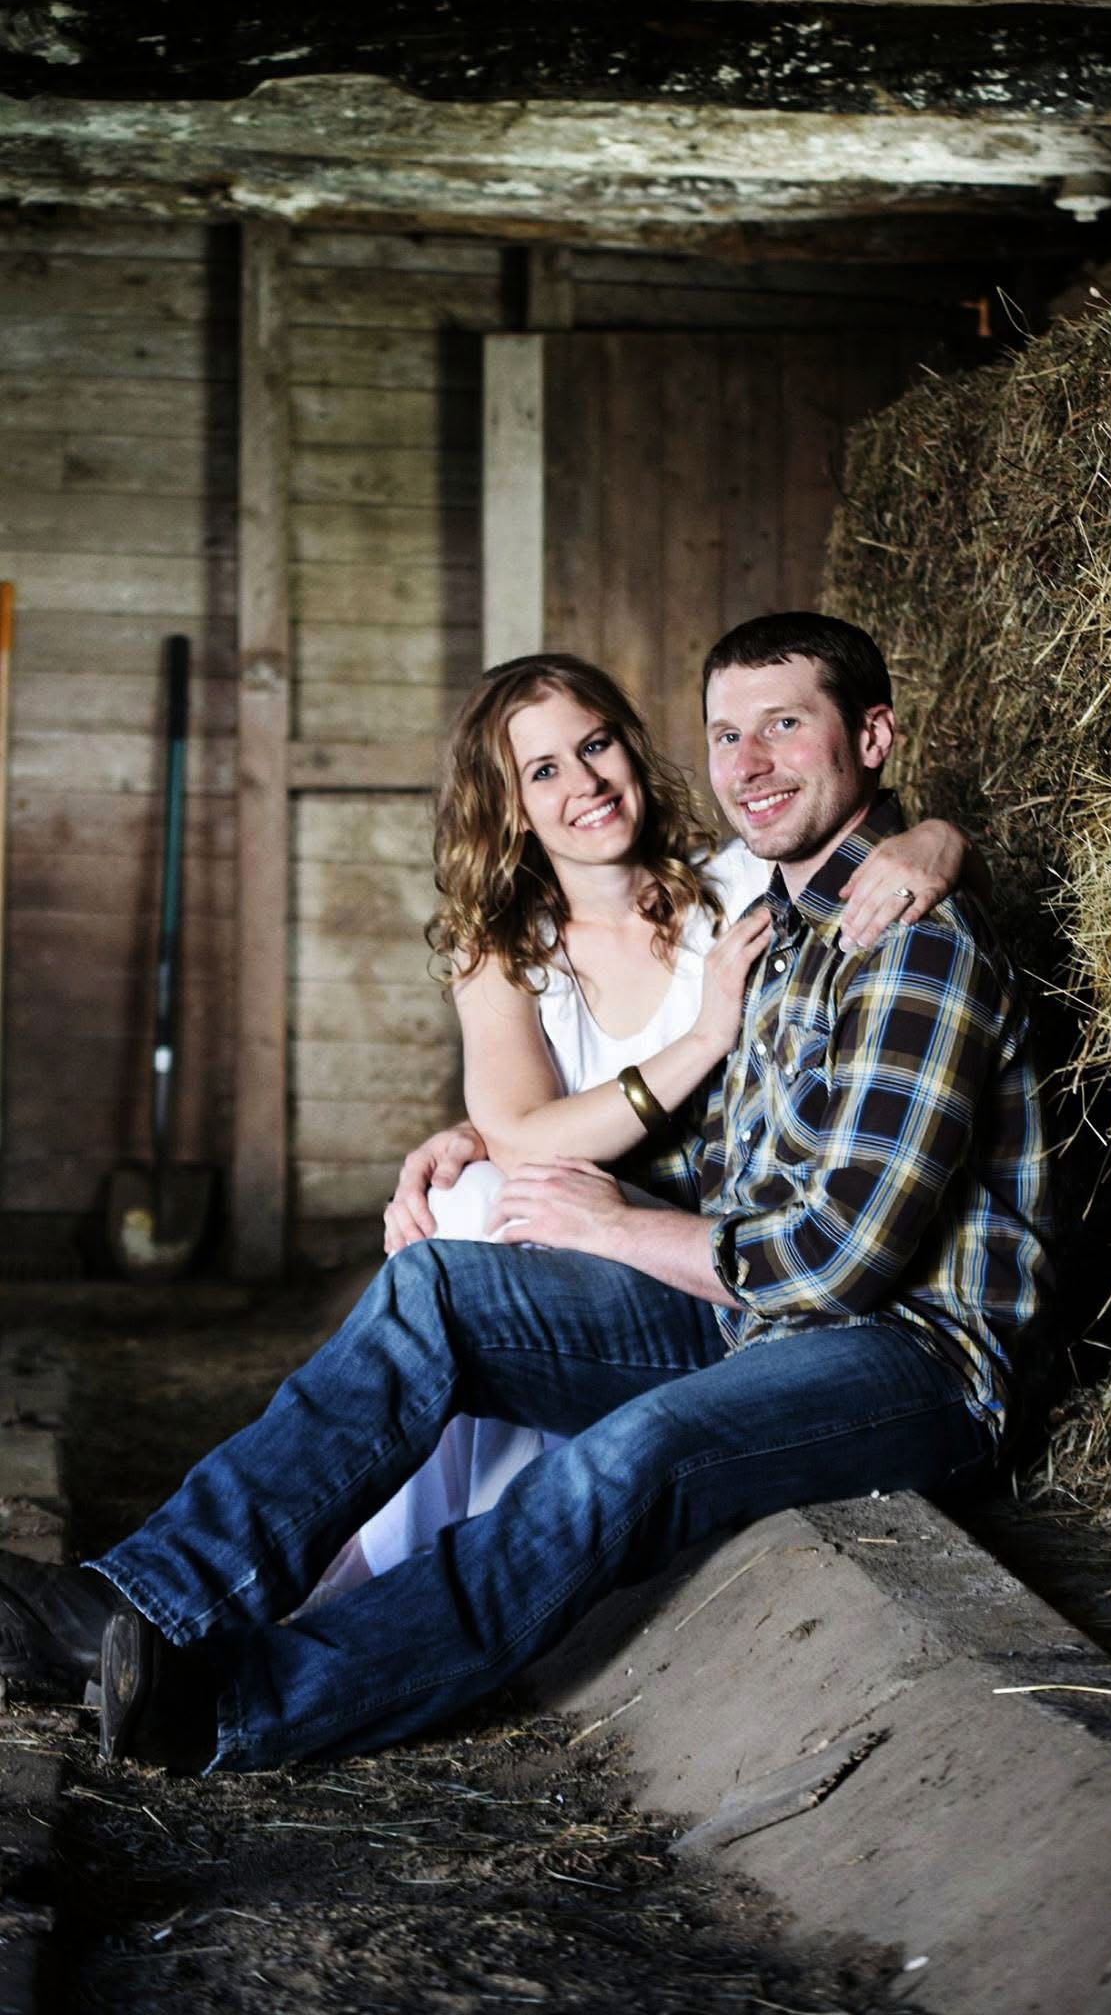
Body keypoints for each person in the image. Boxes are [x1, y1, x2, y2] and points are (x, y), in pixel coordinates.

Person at [0, 613, 1052, 1775]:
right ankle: (135, 1602)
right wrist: (479, 1143)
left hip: (902, 1356)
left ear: (870, 735)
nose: (748, 764)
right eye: (725, 736)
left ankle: (248, 1701)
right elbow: (730, 1153)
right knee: (434, 1286)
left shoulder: (906, 941)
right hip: (742, 1317)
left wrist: (610, 1221)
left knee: (628, 1448)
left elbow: (829, 1267)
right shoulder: (783, 928)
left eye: (783, 727)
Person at [308, 651, 974, 1601]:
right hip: (578, 1247)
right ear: (511, 810)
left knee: (482, 1200)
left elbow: (858, 834)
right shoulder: (503, 951)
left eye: (596, 745)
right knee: (475, 1195)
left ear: (630, 748)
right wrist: (702, 1038)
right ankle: (415, 1565)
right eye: (543, 772)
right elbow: (527, 1134)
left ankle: (378, 1575)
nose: (583, 783)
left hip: (694, 1262)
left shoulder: (737, 889)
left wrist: (940, 838)